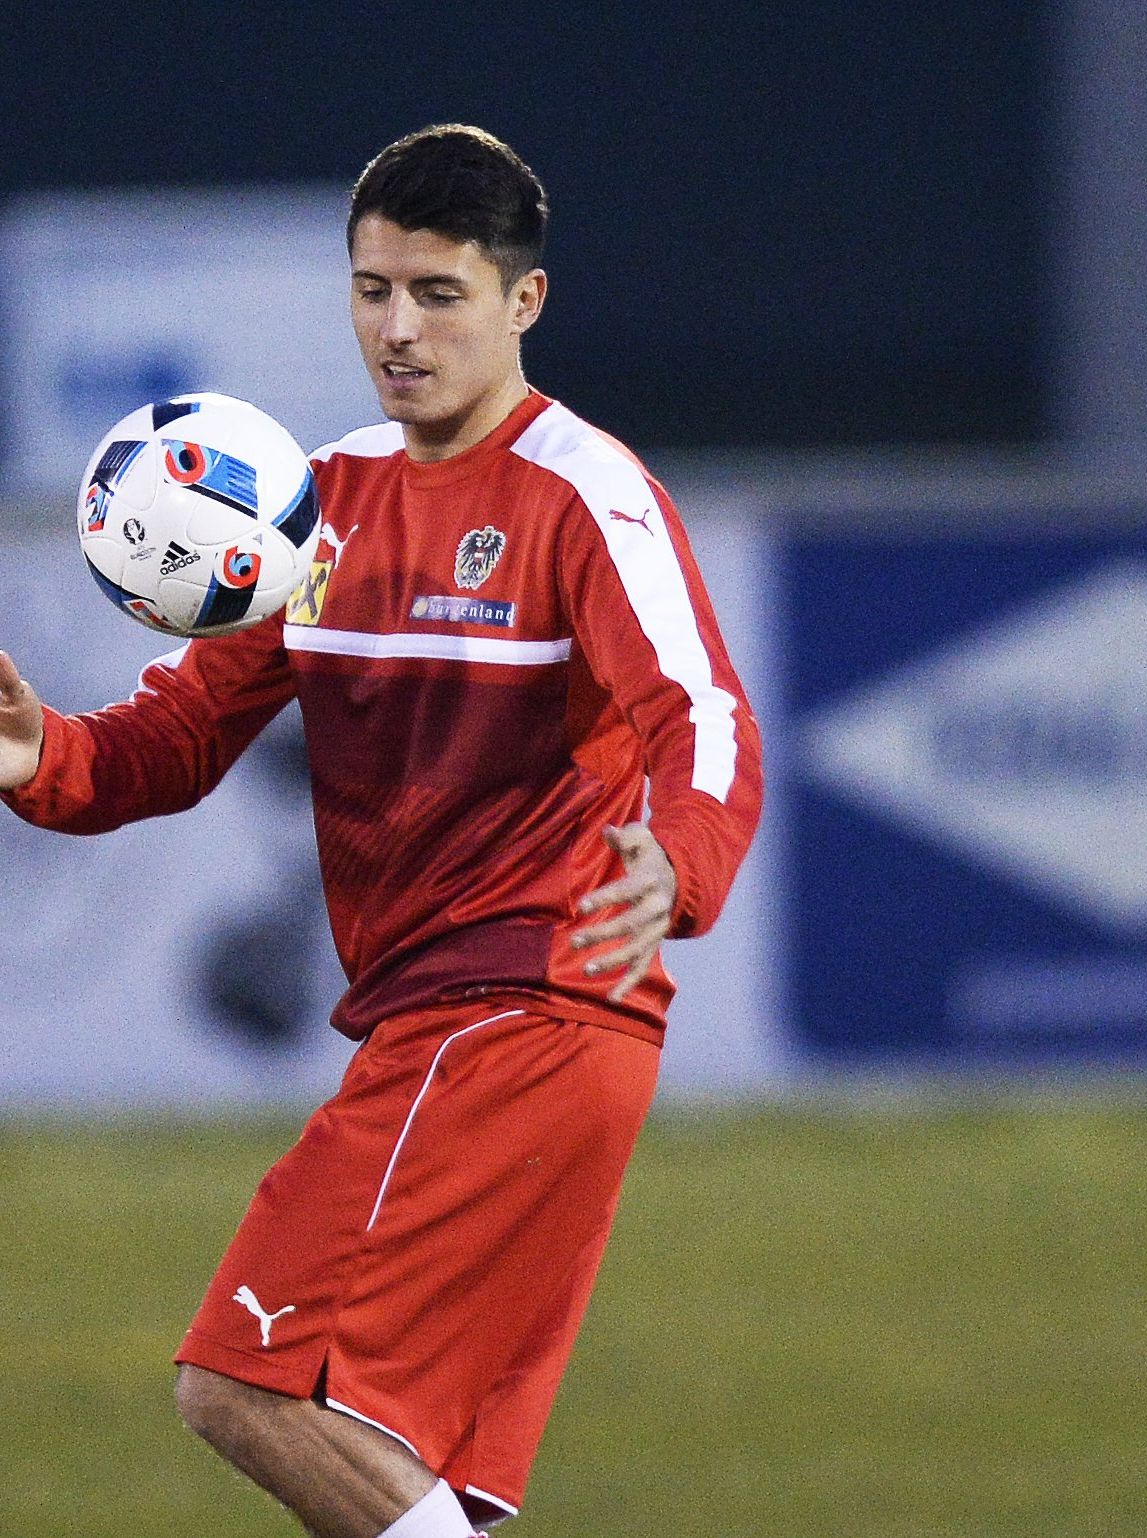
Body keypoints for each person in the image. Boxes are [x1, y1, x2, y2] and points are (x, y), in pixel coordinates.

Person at [0, 125, 763, 1538]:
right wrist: (43, 752)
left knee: (246, 1385)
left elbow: (702, 715)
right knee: (417, 1491)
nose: (396, 329)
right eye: (370, 290)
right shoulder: (316, 507)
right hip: (470, 1028)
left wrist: (685, 851)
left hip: (520, 1010)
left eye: (436, 293)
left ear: (520, 303)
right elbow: (173, 738)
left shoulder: (582, 493)